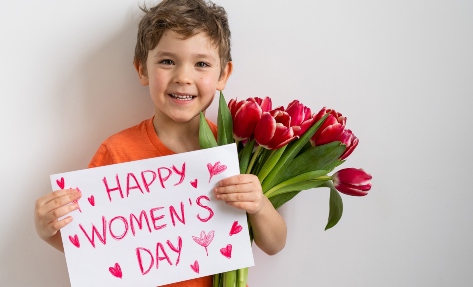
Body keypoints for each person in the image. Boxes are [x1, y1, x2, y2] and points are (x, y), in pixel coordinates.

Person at [34, 0, 287, 286]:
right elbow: (95, 247)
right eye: (167, 61)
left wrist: (259, 205)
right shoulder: (117, 152)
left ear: (223, 75)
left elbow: (274, 244)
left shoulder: (239, 153)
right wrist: (49, 232)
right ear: (142, 69)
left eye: (201, 64)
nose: (183, 78)